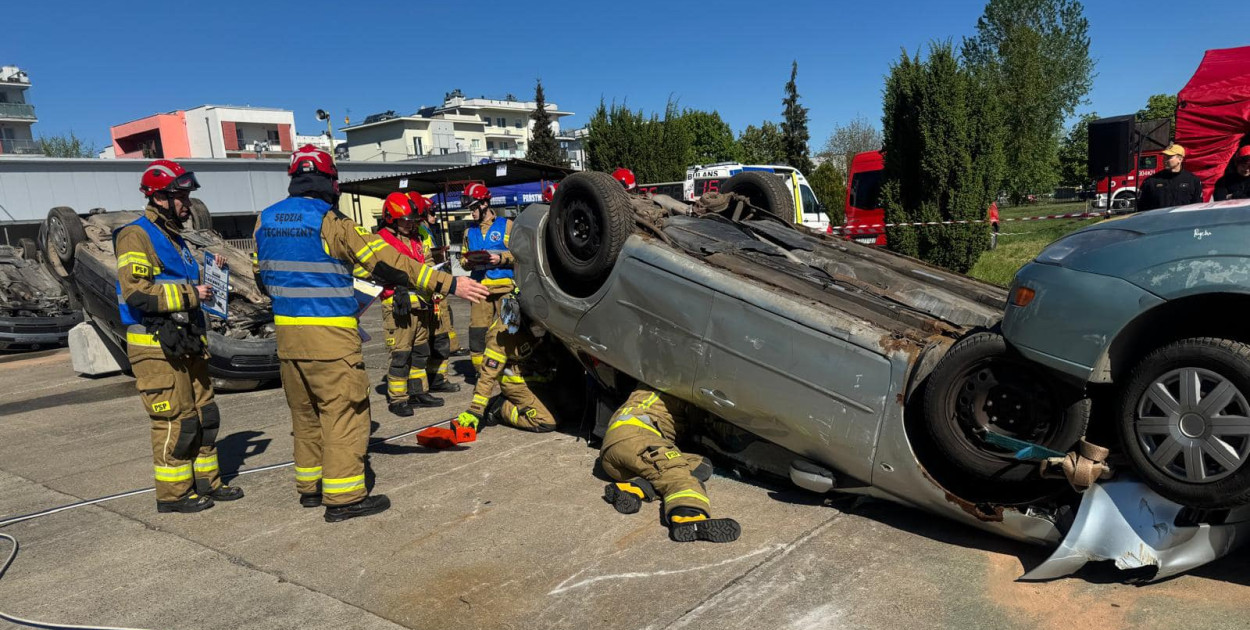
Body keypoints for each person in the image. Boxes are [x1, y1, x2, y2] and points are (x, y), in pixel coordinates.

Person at [255, 145, 489, 523]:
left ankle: (311, 490)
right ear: (330, 182)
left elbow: (261, 276)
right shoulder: (333, 222)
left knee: (306, 416)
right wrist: (449, 284)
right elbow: (389, 262)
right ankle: (345, 498)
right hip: (330, 340)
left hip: (286, 340)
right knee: (344, 414)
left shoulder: (264, 221)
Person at [116, 160, 244, 513]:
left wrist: (212, 273)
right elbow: (137, 293)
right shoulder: (135, 235)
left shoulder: (176, 238)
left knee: (205, 414)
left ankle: (208, 482)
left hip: (186, 339)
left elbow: (180, 281)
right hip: (155, 344)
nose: (187, 203)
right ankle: (173, 494)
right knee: (177, 418)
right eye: (181, 196)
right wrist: (193, 293)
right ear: (159, 197)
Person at [598, 385, 740, 543]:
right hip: (639, 440)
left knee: (700, 465)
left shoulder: (648, 385)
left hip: (616, 453)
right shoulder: (680, 388)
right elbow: (702, 422)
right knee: (676, 475)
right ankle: (688, 516)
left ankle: (633, 488)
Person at [376, 192, 444, 416]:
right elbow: (375, 271)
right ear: (391, 219)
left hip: (421, 303)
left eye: (412, 221)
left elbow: (426, 263)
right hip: (399, 305)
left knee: (420, 351)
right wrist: (395, 288)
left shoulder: (415, 238)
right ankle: (398, 399)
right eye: (406, 220)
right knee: (400, 354)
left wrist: (433, 288)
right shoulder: (382, 239)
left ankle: (418, 392)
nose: (410, 224)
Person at [455, 289, 558, 433]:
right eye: (535, 323)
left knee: (572, 409)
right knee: (546, 421)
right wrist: (475, 410)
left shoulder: (543, 317)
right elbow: (487, 375)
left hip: (539, 375)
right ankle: (501, 408)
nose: (540, 328)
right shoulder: (503, 335)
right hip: (515, 380)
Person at [407, 191, 461, 392]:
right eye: (430, 212)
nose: (433, 217)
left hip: (434, 291)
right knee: (420, 344)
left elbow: (428, 258)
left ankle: (438, 379)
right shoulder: (407, 235)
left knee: (440, 338)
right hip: (418, 295)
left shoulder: (423, 233)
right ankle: (420, 388)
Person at [459, 183, 514, 376]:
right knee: (478, 332)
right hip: (479, 289)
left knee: (510, 329)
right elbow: (463, 257)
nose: (472, 212)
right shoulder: (469, 232)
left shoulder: (507, 225)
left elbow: (521, 254)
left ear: (484, 203)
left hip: (505, 289)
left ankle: (513, 368)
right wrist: (467, 262)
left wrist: (502, 258)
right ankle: (482, 373)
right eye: (470, 209)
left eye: (474, 207)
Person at [1137, 144, 1204, 211]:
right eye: (1164, 157)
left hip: (1183, 220)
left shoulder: (1193, 181)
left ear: (1180, 159)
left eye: (1169, 157)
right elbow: (1142, 208)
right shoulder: (1151, 181)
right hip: (1159, 220)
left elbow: (1197, 207)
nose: (1165, 160)